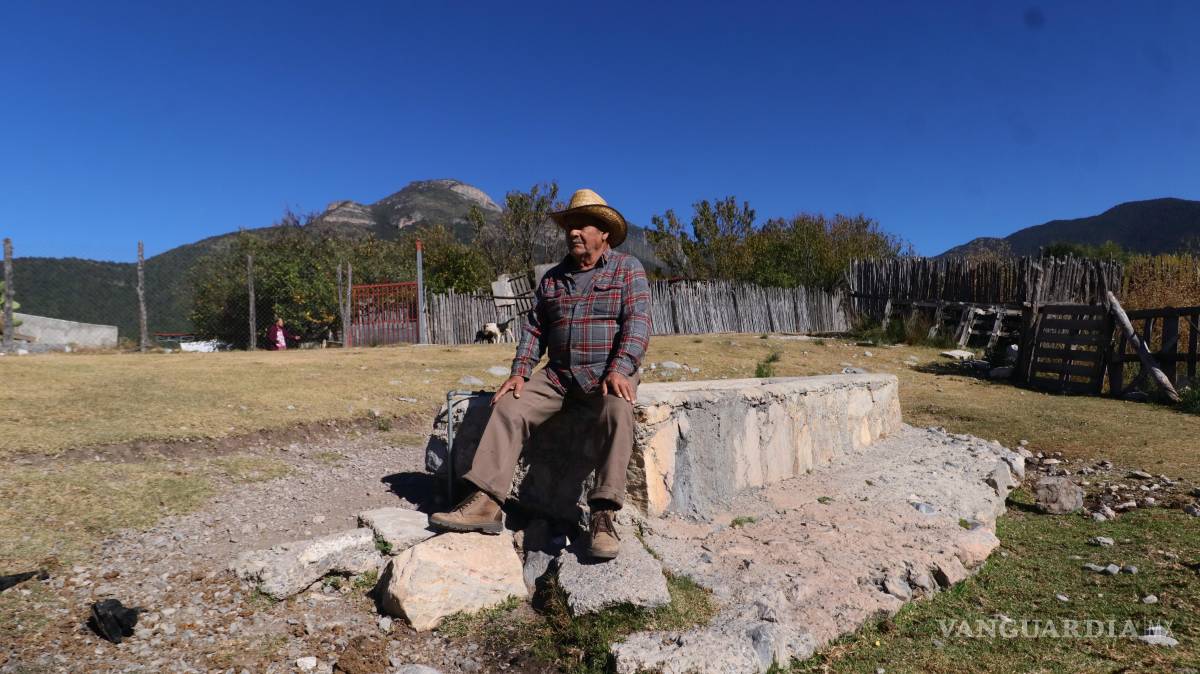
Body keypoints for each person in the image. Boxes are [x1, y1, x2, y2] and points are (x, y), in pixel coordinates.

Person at [430, 188, 651, 560]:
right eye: (569, 226)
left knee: (618, 410)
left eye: (582, 225)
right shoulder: (552, 279)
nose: (574, 232)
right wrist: (519, 372)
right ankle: (486, 502)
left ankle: (602, 515)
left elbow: (638, 324)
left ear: (604, 233)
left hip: (605, 375)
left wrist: (620, 368)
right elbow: (535, 331)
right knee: (509, 404)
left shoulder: (627, 269)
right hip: (559, 376)